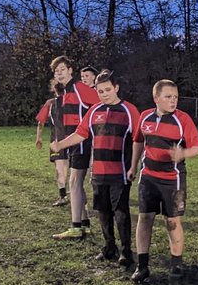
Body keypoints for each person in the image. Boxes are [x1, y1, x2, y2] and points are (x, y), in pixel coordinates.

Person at [49, 70, 140, 262]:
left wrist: (134, 166)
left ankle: (126, 251)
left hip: (120, 173)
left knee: (121, 212)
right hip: (98, 172)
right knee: (102, 211)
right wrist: (60, 144)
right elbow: (81, 134)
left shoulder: (129, 110)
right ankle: (109, 247)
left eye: (108, 90)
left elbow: (139, 140)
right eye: (100, 91)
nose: (104, 94)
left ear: (116, 88)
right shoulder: (94, 111)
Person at [131, 79, 198, 284]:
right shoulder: (145, 117)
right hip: (148, 178)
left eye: (176, 97)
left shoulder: (183, 120)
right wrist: (133, 166)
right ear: (156, 98)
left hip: (173, 180)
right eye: (168, 97)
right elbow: (138, 141)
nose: (173, 101)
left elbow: (197, 147)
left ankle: (176, 265)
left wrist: (183, 153)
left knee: (172, 221)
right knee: (145, 219)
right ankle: (142, 266)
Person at [49, 55, 99, 239]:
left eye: (62, 69)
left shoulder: (79, 88)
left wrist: (93, 131)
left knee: (74, 182)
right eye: (56, 71)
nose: (58, 73)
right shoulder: (65, 91)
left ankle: (76, 227)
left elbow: (100, 104)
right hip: (73, 141)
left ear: (70, 70)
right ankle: (84, 225)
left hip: (82, 141)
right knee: (77, 183)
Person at [35, 80, 69, 206]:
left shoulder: (50, 103)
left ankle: (63, 195)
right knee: (68, 167)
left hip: (57, 140)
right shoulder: (72, 100)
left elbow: (40, 122)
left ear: (54, 89)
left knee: (60, 168)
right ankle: (73, 191)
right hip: (72, 139)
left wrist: (38, 138)